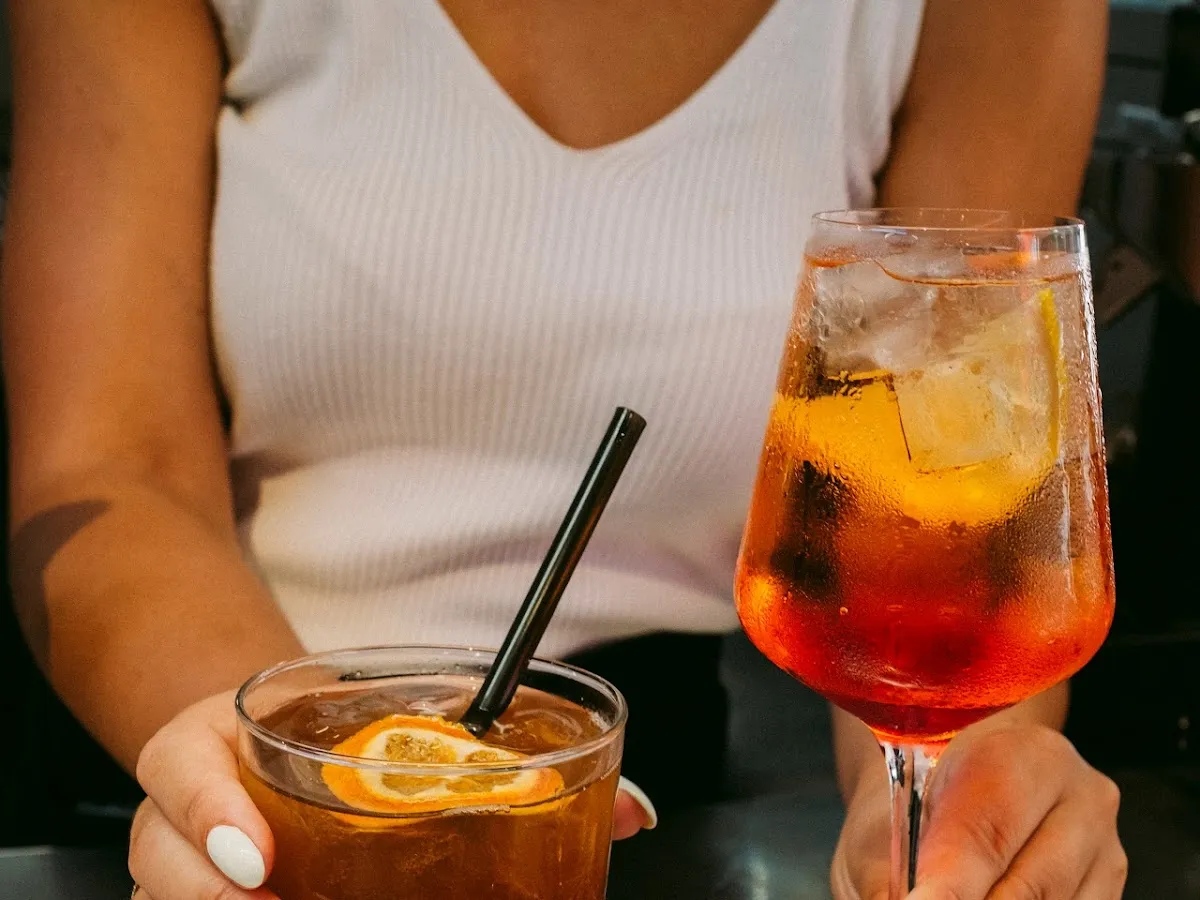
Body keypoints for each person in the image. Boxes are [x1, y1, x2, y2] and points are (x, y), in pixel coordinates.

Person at [0, 0, 1126, 897]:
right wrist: (302, 791)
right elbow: (110, 467)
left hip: (642, 807)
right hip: (222, 751)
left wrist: (946, 803)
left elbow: (957, 494)